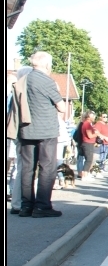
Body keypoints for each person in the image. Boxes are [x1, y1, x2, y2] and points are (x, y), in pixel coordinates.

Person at [17, 52, 67, 218]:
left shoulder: (23, 79)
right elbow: (62, 107)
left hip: (26, 129)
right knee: (47, 167)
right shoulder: (46, 81)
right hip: (46, 130)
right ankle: (42, 206)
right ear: (47, 64)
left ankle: (26, 206)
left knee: (27, 169)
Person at [7, 66, 32, 214]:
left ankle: (18, 202)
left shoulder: (14, 92)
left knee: (21, 167)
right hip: (22, 133)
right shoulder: (19, 91)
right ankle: (18, 203)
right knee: (22, 167)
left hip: (17, 133)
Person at [77, 110, 99, 180]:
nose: (94, 118)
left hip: (88, 143)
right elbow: (89, 135)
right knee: (88, 160)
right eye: (93, 116)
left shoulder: (87, 124)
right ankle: (84, 175)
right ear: (89, 117)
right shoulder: (87, 124)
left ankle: (86, 174)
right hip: (87, 143)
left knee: (89, 160)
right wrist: (96, 134)